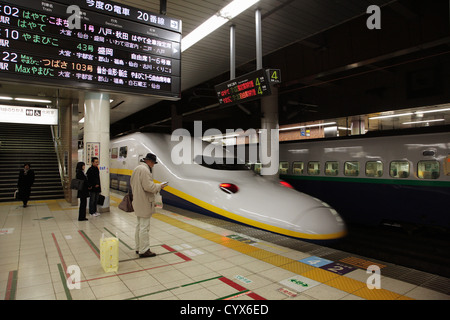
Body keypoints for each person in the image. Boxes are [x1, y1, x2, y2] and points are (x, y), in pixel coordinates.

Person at [130, 153, 167, 258]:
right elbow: (149, 187)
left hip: (138, 200)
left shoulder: (137, 169)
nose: (153, 165)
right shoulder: (145, 170)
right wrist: (160, 186)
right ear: (149, 161)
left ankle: (138, 247)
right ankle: (144, 250)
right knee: (144, 227)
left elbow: (133, 184)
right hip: (144, 201)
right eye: (153, 163)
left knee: (139, 226)